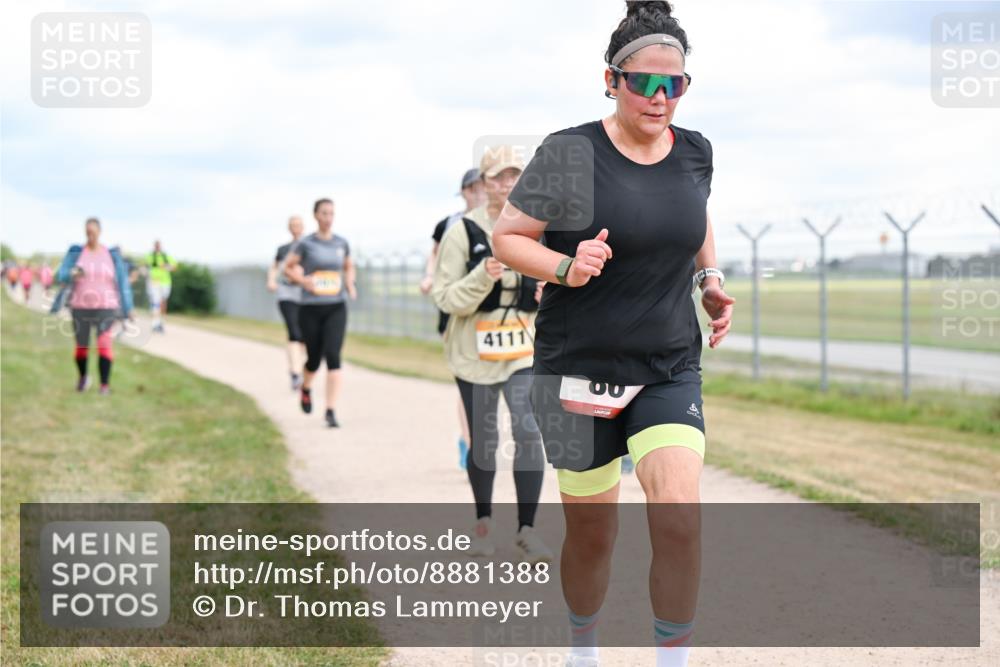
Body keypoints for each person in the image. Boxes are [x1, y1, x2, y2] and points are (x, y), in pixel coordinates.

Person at [492, 3, 735, 665]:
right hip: (578, 365)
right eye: (644, 83)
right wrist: (567, 267)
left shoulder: (696, 151)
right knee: (593, 535)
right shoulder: (569, 152)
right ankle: (582, 646)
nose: (660, 98)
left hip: (667, 364)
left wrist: (709, 276)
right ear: (611, 79)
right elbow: (508, 237)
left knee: (678, 515)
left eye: (675, 84)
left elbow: (695, 214)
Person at [431, 146, 552, 564]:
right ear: (483, 184)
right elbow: (447, 298)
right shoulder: (462, 232)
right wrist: (484, 275)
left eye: (516, 175)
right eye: (499, 177)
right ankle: (483, 523)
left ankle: (527, 530)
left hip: (522, 349)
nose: (508, 184)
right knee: (484, 441)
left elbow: (555, 277)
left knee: (529, 430)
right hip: (473, 351)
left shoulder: (537, 227)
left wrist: (546, 289)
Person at [421, 168, 487, 469]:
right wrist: (429, 277)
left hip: (493, 315)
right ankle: (469, 442)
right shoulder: (449, 224)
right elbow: (433, 255)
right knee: (468, 379)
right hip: (456, 309)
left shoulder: (502, 223)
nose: (479, 193)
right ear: (463, 192)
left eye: (483, 187)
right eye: (473, 189)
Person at [284, 198, 356, 428]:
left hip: (336, 306)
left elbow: (348, 266)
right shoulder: (306, 244)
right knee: (314, 358)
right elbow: (288, 267)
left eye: (331, 213)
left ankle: (330, 410)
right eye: (324, 213)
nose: (328, 218)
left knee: (334, 356)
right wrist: (303, 281)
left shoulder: (341, 243)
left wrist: (350, 284)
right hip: (311, 308)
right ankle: (305, 388)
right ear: (316, 216)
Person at [53, 217, 134, 394]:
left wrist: (129, 308)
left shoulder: (110, 255)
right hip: (80, 306)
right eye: (87, 232)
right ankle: (83, 378)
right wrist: (72, 273)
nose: (90, 235)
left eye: (93, 232)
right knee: (81, 347)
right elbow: (62, 275)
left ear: (99, 232)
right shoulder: (76, 253)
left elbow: (122, 282)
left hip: (106, 306)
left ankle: (104, 385)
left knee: (104, 343)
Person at [268, 216, 307, 390]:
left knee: (305, 336)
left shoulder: (309, 247)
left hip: (305, 295)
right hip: (286, 293)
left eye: (298, 225)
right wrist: (271, 280)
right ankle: (296, 373)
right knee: (294, 331)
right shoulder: (283, 249)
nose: (295, 228)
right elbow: (275, 267)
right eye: (292, 225)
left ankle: (299, 368)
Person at [144, 240, 175, 333]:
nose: (157, 247)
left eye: (159, 245)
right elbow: (144, 266)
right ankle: (155, 323)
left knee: (163, 302)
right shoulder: (150, 256)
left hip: (165, 282)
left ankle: (161, 322)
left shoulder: (166, 256)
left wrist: (167, 266)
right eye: (156, 245)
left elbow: (174, 267)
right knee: (155, 302)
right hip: (154, 282)